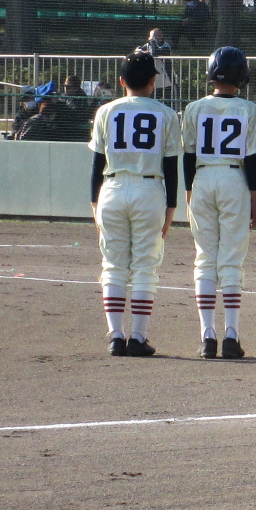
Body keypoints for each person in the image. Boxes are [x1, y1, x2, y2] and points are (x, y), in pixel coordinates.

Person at [89, 50, 182, 356]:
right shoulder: (166, 114)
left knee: (113, 266)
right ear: (153, 82)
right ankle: (139, 337)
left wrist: (94, 204)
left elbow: (96, 165)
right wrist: (171, 208)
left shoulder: (106, 111)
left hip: (112, 188)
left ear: (121, 80)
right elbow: (170, 167)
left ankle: (116, 335)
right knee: (145, 266)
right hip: (149, 189)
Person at [180, 46, 256, 359]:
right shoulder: (249, 108)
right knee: (231, 260)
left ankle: (206, 336)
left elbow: (188, 155)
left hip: (202, 178)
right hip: (234, 179)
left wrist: (189, 191)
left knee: (204, 257)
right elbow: (253, 157)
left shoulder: (194, 107)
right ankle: (230, 334)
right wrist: (255, 195)